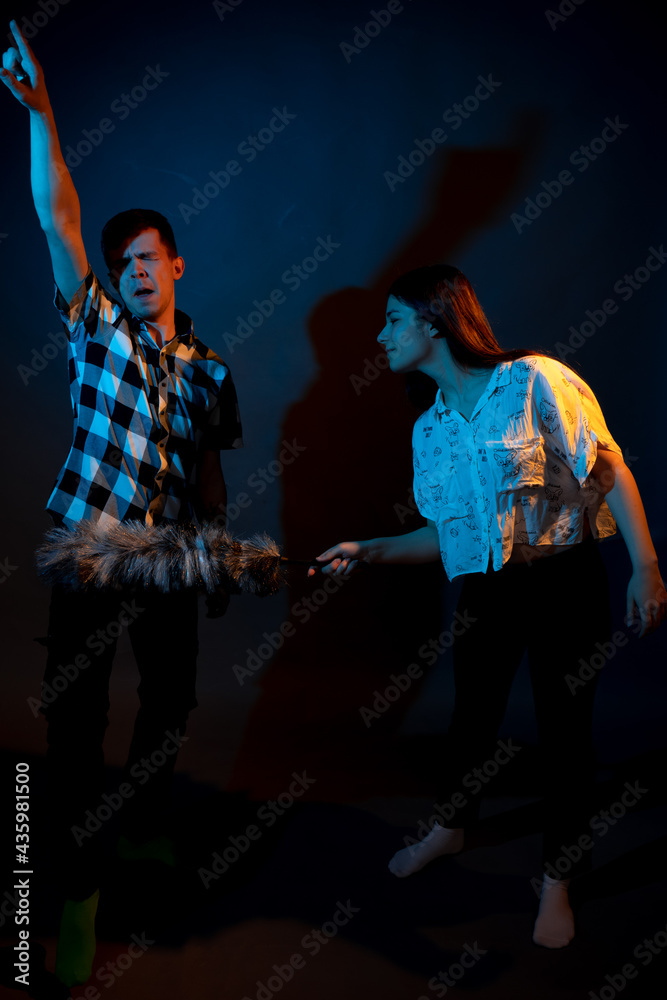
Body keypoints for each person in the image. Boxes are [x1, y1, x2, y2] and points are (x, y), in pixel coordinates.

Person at [312, 263, 665, 949]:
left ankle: (557, 880)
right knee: (470, 717)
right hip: (490, 586)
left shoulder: (534, 381)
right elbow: (450, 533)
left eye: (391, 320)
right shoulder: (431, 431)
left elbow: (608, 468)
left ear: (434, 322)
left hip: (565, 582)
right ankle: (450, 828)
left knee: (566, 731)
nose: (379, 336)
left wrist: (646, 568)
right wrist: (369, 549)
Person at [1, 21, 242, 987]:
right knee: (74, 726)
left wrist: (216, 552)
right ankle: (73, 895)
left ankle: (141, 828)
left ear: (176, 265)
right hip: (94, 551)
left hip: (171, 556)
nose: (136, 268)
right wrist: (45, 115)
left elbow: (210, 472)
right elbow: (57, 216)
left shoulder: (211, 369)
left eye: (150, 257)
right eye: (123, 259)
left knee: (174, 698)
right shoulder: (95, 330)